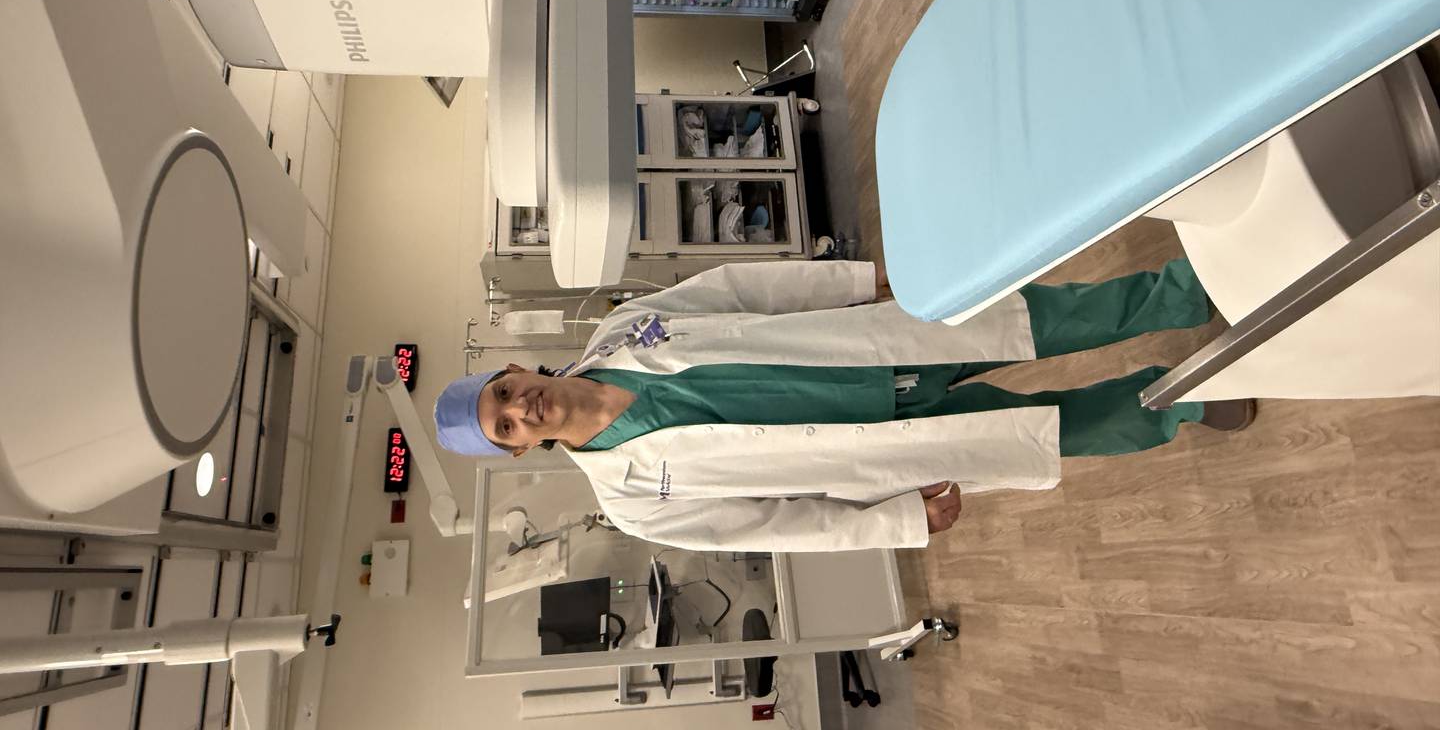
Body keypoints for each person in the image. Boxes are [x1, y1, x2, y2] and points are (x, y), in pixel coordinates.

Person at [434, 260, 1252, 553]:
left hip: (873, 347)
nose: (522, 408)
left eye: (505, 393)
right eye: (506, 426)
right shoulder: (634, 499)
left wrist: (859, 283)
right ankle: (1183, 403)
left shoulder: (623, 331)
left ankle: (1195, 289)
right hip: (879, 441)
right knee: (1058, 431)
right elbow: (776, 525)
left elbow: (741, 291)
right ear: (517, 452)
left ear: (510, 369)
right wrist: (892, 523)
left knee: (1047, 315)